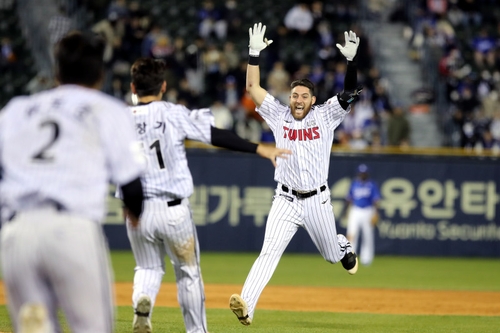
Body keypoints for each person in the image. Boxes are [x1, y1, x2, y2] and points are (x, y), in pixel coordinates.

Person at [122, 57, 291, 333]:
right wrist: (259, 148)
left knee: (147, 268)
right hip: (173, 209)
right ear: (163, 87)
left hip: (136, 209)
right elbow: (214, 135)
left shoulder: (119, 120)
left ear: (133, 87)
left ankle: (144, 298)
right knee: (188, 274)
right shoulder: (173, 113)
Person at [0, 31, 145, 333]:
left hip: (17, 232)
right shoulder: (106, 110)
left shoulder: (17, 109)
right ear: (100, 74)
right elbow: (131, 185)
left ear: (57, 71)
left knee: (34, 327)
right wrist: (135, 212)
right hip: (72, 229)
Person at [229, 22, 363, 326]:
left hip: (317, 200)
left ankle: (342, 245)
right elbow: (252, 88)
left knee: (331, 255)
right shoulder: (278, 114)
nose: (298, 100)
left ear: (312, 100)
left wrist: (351, 62)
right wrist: (253, 54)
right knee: (269, 252)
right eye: (294, 95)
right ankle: (245, 305)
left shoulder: (326, 115)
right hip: (286, 199)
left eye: (303, 96)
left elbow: (350, 92)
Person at [341, 164, 381, 266]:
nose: (362, 175)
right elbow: (349, 199)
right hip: (355, 210)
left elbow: (376, 200)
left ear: (367, 174)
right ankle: (350, 257)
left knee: (367, 235)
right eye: (361, 173)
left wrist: (376, 213)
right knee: (352, 234)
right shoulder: (354, 184)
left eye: (364, 173)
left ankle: (366, 259)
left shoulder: (371, 185)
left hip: (368, 210)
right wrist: (345, 212)